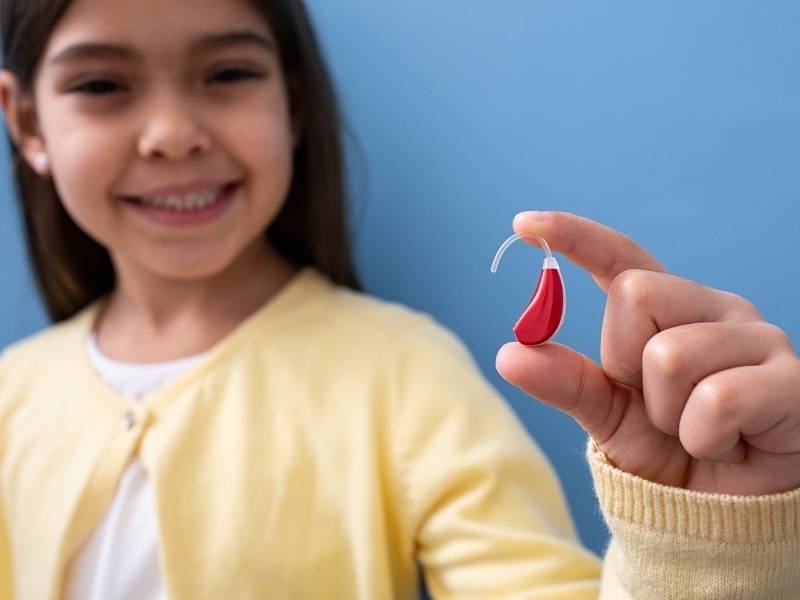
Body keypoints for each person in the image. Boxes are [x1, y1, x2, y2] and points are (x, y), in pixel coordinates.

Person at [0, 0, 797, 598]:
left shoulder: (402, 373)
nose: (173, 133)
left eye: (228, 73)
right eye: (102, 83)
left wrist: (699, 553)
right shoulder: (12, 394)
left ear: (296, 105)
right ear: (27, 122)